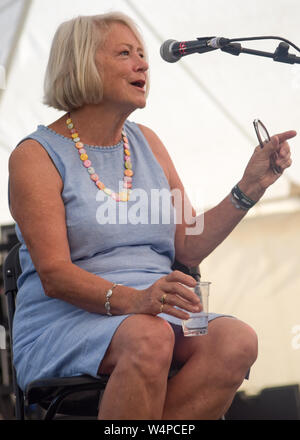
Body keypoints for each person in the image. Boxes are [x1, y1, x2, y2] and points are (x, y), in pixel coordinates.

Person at [8, 12, 296, 420]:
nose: (143, 63)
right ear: (81, 65)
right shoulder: (36, 156)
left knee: (236, 340)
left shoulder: (148, 143)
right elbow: (54, 275)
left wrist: (251, 186)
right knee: (149, 337)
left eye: (142, 54)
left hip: (152, 316)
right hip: (67, 322)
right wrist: (136, 300)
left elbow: (189, 243)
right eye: (125, 54)